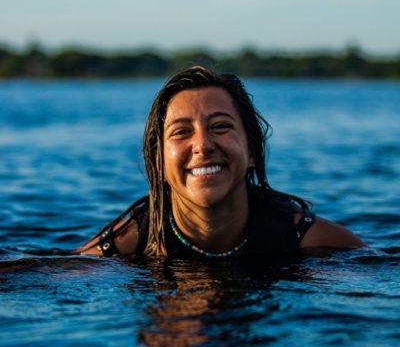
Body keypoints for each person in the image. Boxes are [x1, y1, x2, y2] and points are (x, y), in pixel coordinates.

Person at [78, 66, 363, 260]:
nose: (203, 145)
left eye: (220, 127)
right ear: (159, 162)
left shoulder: (306, 238)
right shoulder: (131, 242)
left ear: (251, 150)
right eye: (181, 132)